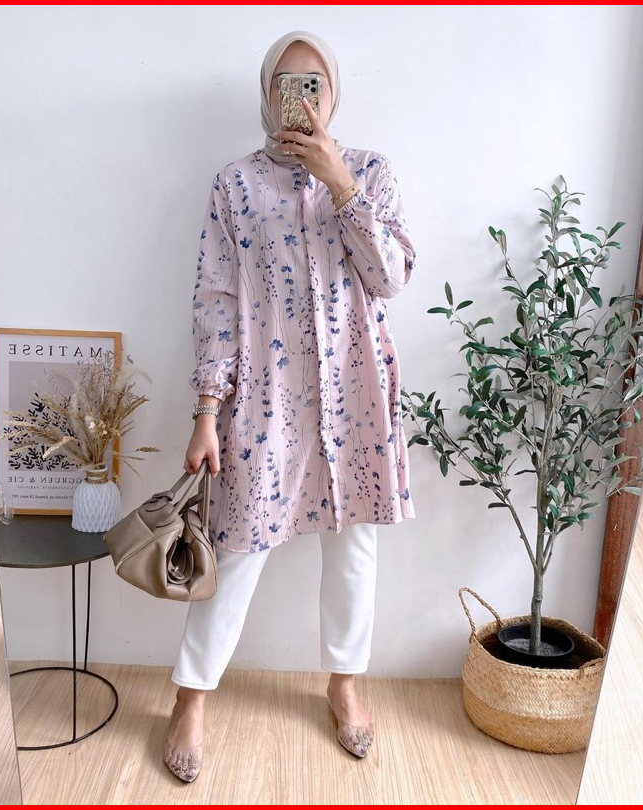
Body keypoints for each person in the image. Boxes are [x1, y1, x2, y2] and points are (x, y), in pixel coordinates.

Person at [164, 30, 417, 782]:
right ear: (267, 92)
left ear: (332, 95)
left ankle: (345, 684)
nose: (301, 97)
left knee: (354, 547)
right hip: (264, 396)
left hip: (353, 392)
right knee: (240, 543)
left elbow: (391, 278)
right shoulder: (235, 184)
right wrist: (206, 409)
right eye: (287, 82)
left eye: (315, 84)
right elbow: (215, 298)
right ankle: (191, 696)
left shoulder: (371, 171)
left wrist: (341, 184)